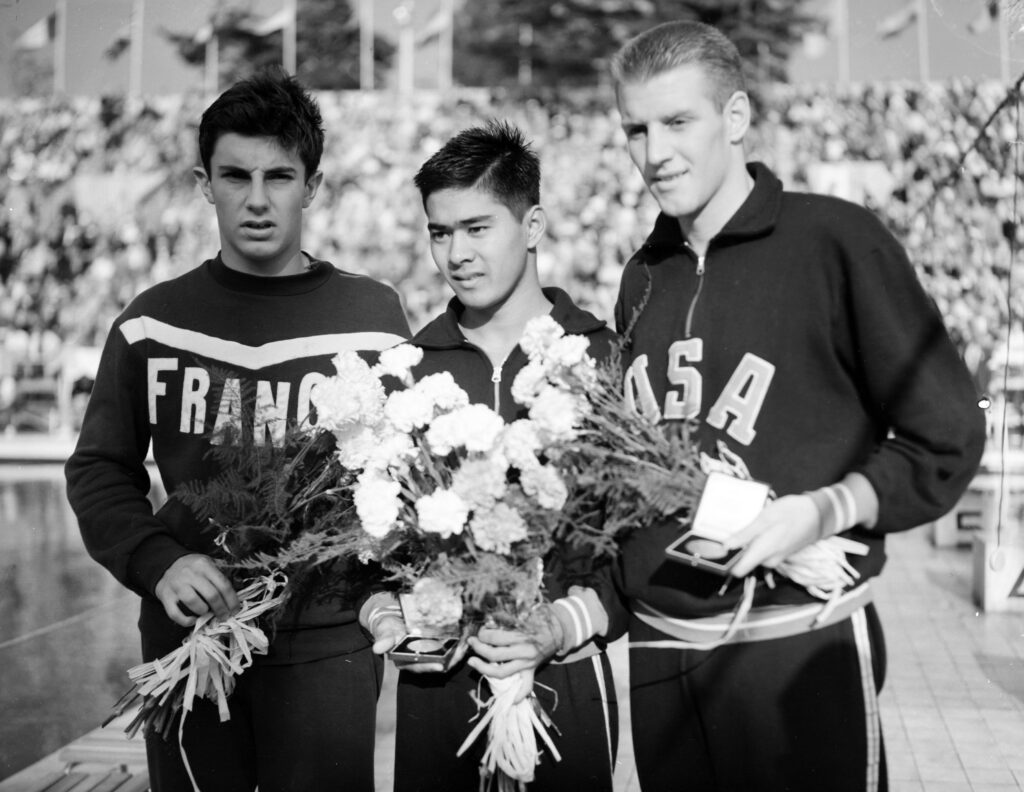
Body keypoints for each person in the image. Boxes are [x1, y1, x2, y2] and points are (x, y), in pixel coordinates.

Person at [607, 21, 986, 792]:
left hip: (793, 653)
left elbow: (945, 433)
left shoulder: (835, 241)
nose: (654, 153)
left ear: (736, 118)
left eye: (679, 122)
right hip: (661, 663)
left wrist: (823, 510)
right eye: (636, 129)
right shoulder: (642, 275)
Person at [65, 68, 411, 792]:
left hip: (326, 644)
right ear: (204, 182)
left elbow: (405, 475)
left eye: (280, 176)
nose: (257, 200)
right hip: (193, 635)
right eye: (236, 176)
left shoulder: (374, 318)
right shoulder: (150, 322)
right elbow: (99, 468)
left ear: (312, 186)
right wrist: (158, 562)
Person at [367, 120, 623, 791]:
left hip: (565, 676)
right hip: (439, 689)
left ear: (532, 225)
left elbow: (637, 544)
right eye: (440, 232)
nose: (456, 253)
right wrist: (393, 611)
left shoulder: (599, 356)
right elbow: (376, 541)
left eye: (478, 228)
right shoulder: (412, 372)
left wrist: (563, 624)